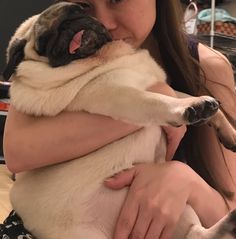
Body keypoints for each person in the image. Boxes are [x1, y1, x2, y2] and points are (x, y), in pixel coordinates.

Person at [2, 0, 236, 238]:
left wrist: (184, 180)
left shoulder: (206, 68)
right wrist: (158, 102)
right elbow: (17, 153)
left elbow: (227, 207)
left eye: (117, 0)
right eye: (84, 6)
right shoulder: (52, 49)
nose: (103, 22)